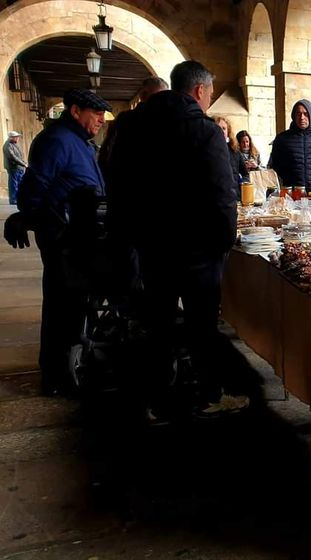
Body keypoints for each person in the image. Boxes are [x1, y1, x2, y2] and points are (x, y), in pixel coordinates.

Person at [109, 60, 247, 419]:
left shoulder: (134, 126)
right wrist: (223, 242)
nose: (210, 100)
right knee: (201, 326)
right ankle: (208, 394)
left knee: (159, 323)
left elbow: (119, 186)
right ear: (199, 90)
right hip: (198, 248)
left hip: (152, 245)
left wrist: (129, 238)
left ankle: (156, 399)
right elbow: (222, 195)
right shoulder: (203, 131)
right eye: (210, 94)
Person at [10, 89, 111, 395]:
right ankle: (56, 376)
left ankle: (67, 367)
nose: (100, 120)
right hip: (64, 238)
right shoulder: (58, 141)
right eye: (96, 115)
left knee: (73, 304)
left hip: (77, 234)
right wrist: (31, 217)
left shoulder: (78, 141)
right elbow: (35, 187)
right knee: (62, 305)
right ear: (76, 111)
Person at [98, 76, 168, 179]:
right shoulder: (126, 119)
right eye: (157, 97)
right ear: (143, 96)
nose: (162, 101)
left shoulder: (125, 118)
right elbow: (109, 148)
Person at [269, 99, 311, 194]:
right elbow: (276, 165)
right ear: (293, 116)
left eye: (305, 114)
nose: (302, 117)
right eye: (298, 114)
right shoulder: (282, 140)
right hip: (292, 194)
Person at [213, 116, 249, 187]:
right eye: (218, 128)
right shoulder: (207, 150)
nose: (221, 131)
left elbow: (245, 173)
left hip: (234, 194)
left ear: (228, 131)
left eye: (224, 128)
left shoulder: (235, 151)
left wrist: (241, 185)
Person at [3, 131, 27, 205]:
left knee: (20, 184)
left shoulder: (14, 145)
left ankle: (18, 198)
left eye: (18, 137)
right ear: (11, 137)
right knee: (13, 184)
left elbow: (19, 156)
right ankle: (13, 199)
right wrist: (23, 164)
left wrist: (23, 163)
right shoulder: (8, 145)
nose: (18, 138)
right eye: (16, 137)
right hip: (13, 167)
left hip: (19, 167)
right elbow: (13, 157)